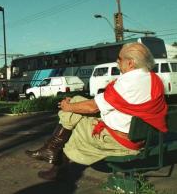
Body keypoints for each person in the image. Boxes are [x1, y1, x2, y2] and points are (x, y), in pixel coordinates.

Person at [25, 42, 168, 180]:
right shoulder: (154, 79)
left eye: (119, 59)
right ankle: (51, 150)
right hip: (140, 136)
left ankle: (53, 154)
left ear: (130, 63)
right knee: (76, 103)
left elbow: (93, 107)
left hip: (116, 141)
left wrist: (67, 107)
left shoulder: (128, 82)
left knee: (73, 115)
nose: (117, 62)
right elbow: (118, 104)